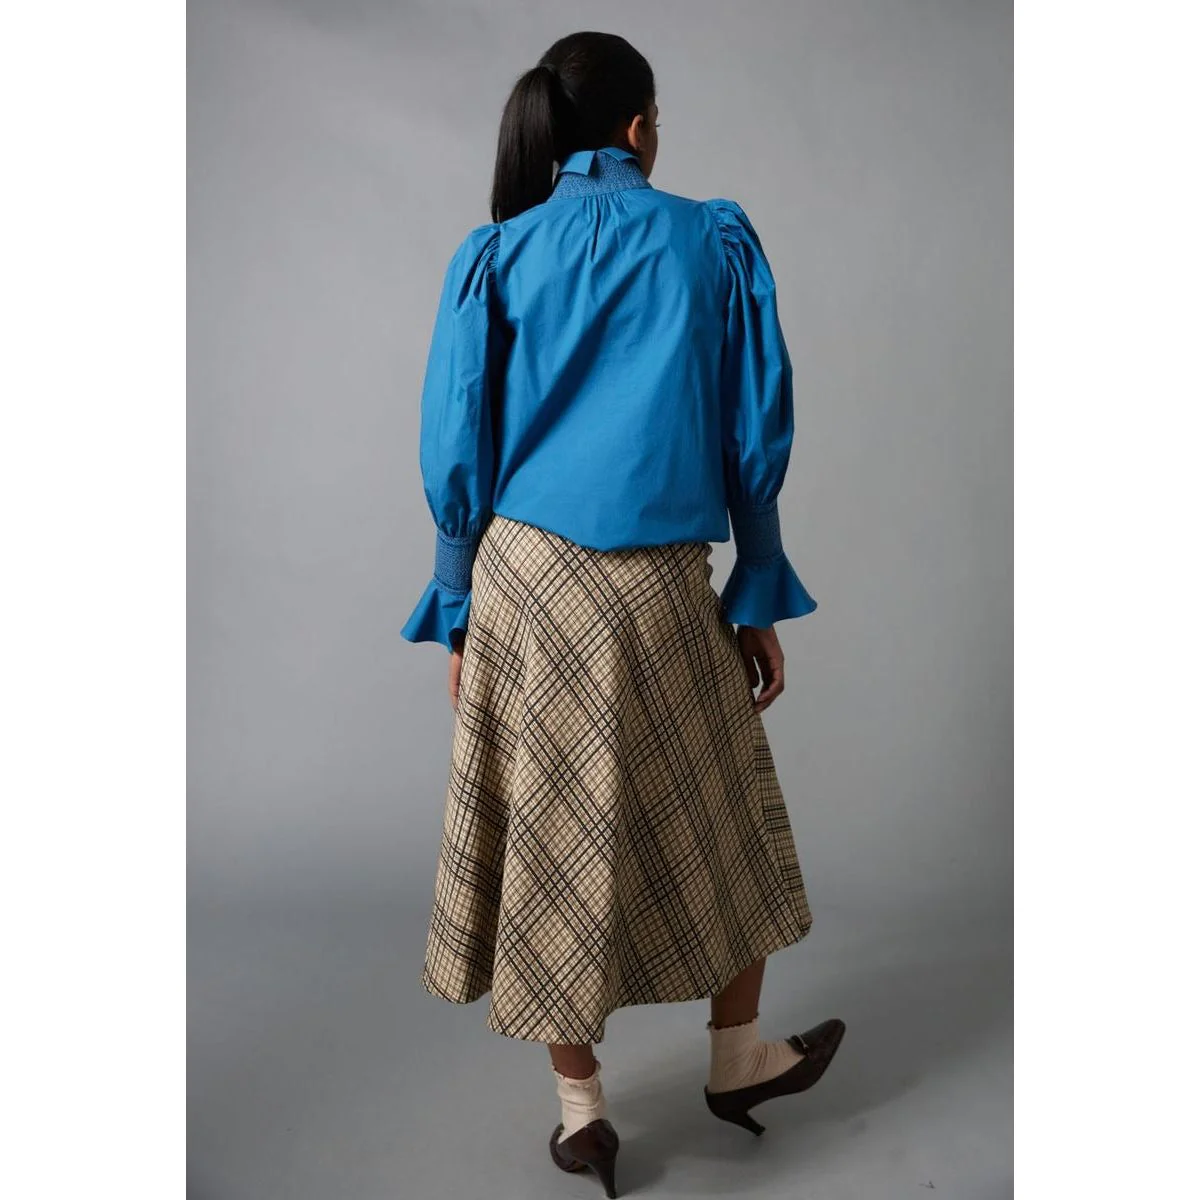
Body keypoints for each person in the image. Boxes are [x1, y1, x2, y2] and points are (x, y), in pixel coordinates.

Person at [401, 30, 845, 1198]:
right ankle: (738, 1059)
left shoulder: (495, 253)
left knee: (551, 838)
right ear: (640, 127)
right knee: (726, 816)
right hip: (655, 583)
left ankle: (582, 1116)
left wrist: (459, 603)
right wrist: (757, 586)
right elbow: (753, 429)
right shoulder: (711, 239)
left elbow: (457, 438)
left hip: (524, 584)